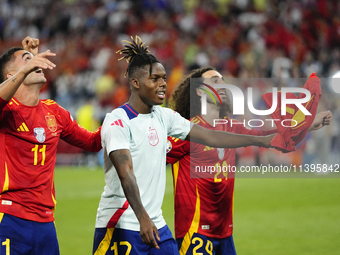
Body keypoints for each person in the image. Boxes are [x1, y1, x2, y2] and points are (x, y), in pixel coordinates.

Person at [92, 36, 275, 255]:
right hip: (121, 221)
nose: (163, 84)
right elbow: (126, 173)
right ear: (136, 82)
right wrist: (142, 217)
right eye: (155, 78)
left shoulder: (165, 117)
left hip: (156, 224)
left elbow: (211, 137)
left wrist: (262, 140)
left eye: (164, 78)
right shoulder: (118, 120)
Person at [166, 67, 333, 255]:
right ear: (198, 90)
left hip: (225, 233)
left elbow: (269, 136)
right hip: (195, 231)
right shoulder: (185, 131)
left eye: (222, 80)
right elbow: (150, 156)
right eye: (214, 81)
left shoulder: (232, 127)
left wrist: (308, 124)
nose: (222, 84)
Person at [0, 37, 102, 255]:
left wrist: (124, 114)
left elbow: (93, 143)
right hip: (9, 217)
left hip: (46, 224)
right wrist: (26, 68)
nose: (36, 61)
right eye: (27, 59)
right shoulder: (7, 111)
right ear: (11, 76)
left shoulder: (53, 111)